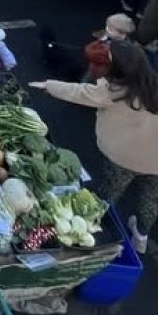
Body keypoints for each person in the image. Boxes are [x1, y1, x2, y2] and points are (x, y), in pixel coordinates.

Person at [29, 40, 158, 255]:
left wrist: (50, 86)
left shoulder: (114, 92)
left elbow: (80, 92)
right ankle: (141, 237)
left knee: (108, 193)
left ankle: (96, 233)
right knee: (151, 199)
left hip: (123, 158)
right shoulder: (153, 86)